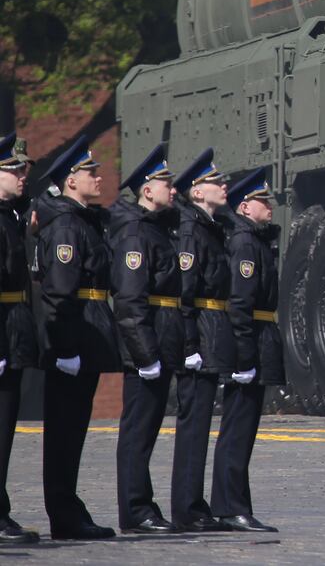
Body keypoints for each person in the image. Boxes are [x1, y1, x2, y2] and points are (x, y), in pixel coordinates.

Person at [32, 135, 120, 540]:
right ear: (70, 181)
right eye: (89, 172)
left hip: (85, 335)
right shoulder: (67, 225)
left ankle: (68, 508)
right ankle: (64, 513)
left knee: (73, 431)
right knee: (65, 432)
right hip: (74, 339)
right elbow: (59, 293)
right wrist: (65, 349)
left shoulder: (81, 220)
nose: (97, 177)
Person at [108, 143, 182, 534]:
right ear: (146, 190)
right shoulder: (136, 233)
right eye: (165, 182)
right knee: (137, 432)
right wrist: (145, 354)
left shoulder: (155, 229)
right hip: (146, 346)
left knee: (147, 431)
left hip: (161, 340)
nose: (172, 188)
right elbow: (131, 298)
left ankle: (141, 507)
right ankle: (136, 510)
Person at [212, 166, 282, 533]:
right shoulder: (244, 243)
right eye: (261, 200)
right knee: (238, 430)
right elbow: (240, 302)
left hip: (257, 336)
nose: (269, 206)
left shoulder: (254, 240)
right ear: (244, 207)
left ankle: (232, 504)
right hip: (250, 340)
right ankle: (230, 507)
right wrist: (245, 356)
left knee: (242, 431)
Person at [169, 149, 230, 533]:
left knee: (201, 425)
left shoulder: (208, 225)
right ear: (196, 192)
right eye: (216, 181)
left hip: (211, 330)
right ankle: (187, 508)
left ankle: (194, 504)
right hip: (200, 334)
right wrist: (190, 346)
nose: (225, 185)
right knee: (193, 427)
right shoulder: (192, 230)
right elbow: (185, 293)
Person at [0, 135, 39, 545]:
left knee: (6, 432)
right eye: (14, 169)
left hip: (12, 331)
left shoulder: (10, 215)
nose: (22, 176)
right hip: (3, 332)